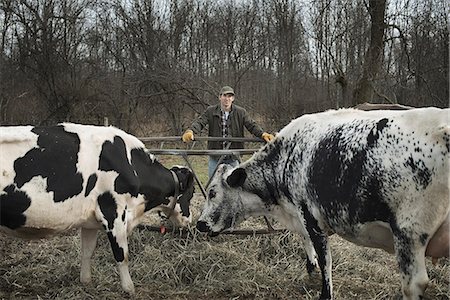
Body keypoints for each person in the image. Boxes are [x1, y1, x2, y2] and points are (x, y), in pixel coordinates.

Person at [182, 85, 274, 178]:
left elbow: (251, 125)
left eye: (229, 96)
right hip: (215, 155)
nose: (227, 99)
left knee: (235, 184)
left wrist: (262, 134)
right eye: (224, 96)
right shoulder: (211, 111)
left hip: (233, 156)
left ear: (233, 98)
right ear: (220, 97)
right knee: (212, 183)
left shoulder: (240, 112)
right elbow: (200, 122)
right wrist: (191, 131)